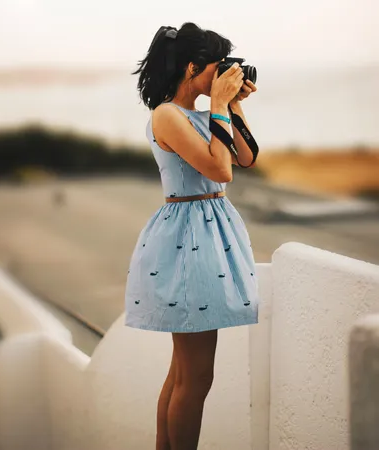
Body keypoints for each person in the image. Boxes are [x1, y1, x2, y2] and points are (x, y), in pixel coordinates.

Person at [125, 22, 260, 450]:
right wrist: (219, 104)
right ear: (190, 68)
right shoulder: (167, 114)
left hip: (203, 234)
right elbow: (220, 170)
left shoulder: (204, 115)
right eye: (215, 69)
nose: (220, 76)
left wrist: (232, 105)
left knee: (184, 374)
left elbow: (246, 157)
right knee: (196, 377)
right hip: (188, 241)